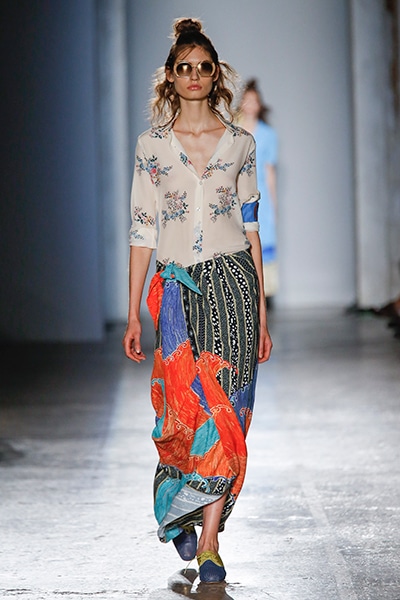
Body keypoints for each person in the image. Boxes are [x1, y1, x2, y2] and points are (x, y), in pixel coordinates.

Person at [123, 18, 272, 584]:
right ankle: (182, 505)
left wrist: (262, 314)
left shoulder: (240, 144)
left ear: (215, 76)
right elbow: (142, 230)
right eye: (183, 67)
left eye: (203, 67)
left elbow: (252, 229)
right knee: (183, 413)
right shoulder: (152, 147)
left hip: (234, 285)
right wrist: (133, 311)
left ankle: (209, 540)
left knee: (227, 411)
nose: (193, 75)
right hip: (178, 292)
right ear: (170, 76)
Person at [237, 79, 278, 305]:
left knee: (263, 240)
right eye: (247, 100)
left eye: (254, 101)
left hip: (260, 194)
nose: (250, 105)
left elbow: (269, 170)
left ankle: (264, 297)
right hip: (238, 195)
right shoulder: (234, 132)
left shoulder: (268, 134)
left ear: (260, 105)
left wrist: (274, 204)